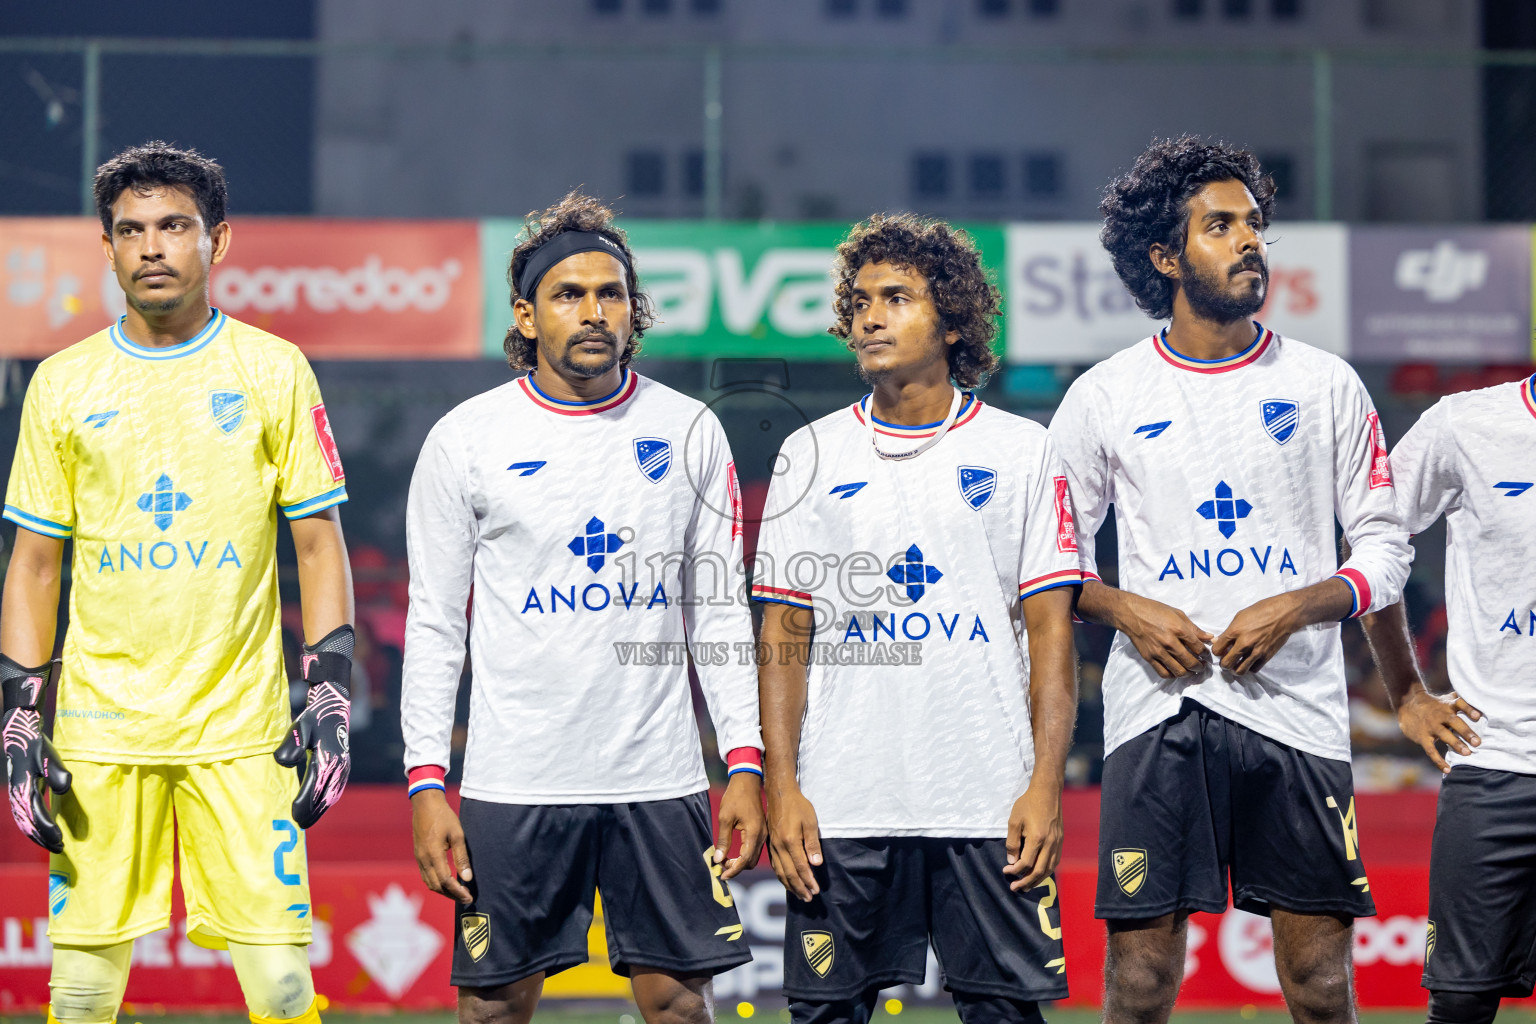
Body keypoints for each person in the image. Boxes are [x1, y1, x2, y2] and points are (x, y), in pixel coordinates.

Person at [1049, 136, 1412, 1024]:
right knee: (1138, 984)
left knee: (1322, 987)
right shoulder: (1104, 396)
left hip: (1296, 713)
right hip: (1158, 714)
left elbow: (1386, 549)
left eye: (1254, 224)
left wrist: (1300, 604)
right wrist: (1126, 608)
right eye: (1221, 226)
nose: (1250, 241)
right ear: (1166, 256)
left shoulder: (1326, 386)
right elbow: (1048, 563)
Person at [0, 142, 355, 1024]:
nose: (151, 246)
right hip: (98, 727)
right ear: (108, 247)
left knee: (279, 984)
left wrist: (332, 691)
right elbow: (35, 563)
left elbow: (318, 541)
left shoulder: (273, 369)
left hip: (241, 728)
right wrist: (18, 709)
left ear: (217, 241)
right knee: (80, 994)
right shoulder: (63, 383)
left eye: (173, 227)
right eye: (130, 230)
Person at [402, 192, 765, 1024]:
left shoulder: (688, 430)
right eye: (569, 295)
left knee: (677, 1004)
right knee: (493, 1007)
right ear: (527, 315)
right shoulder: (468, 438)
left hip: (659, 778)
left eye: (612, 294)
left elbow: (716, 614)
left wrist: (741, 764)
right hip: (515, 777)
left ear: (634, 310)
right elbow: (434, 623)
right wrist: (426, 783)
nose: (595, 312)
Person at [754, 214, 1079, 1024]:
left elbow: (1050, 634)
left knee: (1007, 1016)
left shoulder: (1022, 451)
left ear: (956, 319)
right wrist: (783, 786)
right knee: (824, 1017)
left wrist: (1044, 783)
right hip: (842, 805)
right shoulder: (810, 454)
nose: (869, 316)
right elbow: (784, 637)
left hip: (986, 801)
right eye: (860, 300)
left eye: (896, 297)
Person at [1354, 372, 1536, 1024]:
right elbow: (1374, 538)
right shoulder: (1465, 425)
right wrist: (1407, 692)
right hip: (1498, 762)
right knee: (1461, 1003)